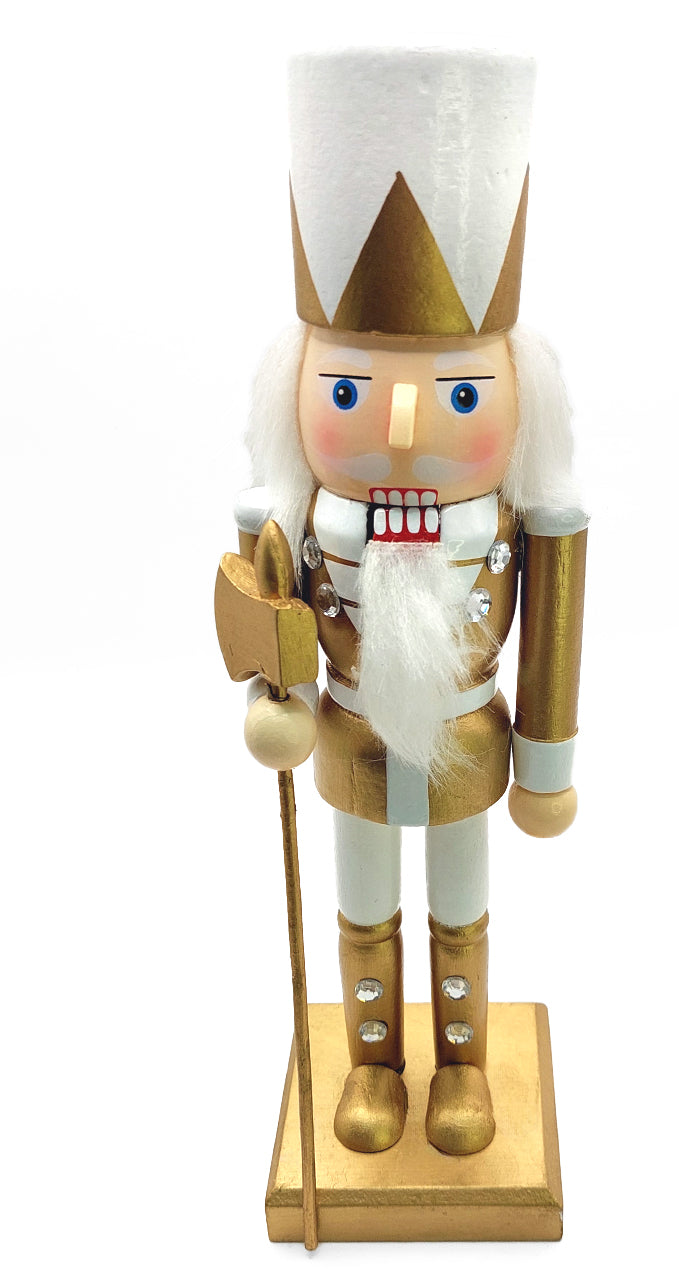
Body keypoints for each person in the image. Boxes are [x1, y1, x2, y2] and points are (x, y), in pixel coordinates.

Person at [230, 49, 587, 1158]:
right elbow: (265, 632)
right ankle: (374, 1060)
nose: (395, 427)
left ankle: (464, 1062)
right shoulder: (288, 524)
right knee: (364, 899)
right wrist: (280, 703)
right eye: (345, 388)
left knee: (463, 901)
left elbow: (553, 646)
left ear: (518, 393)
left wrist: (547, 769)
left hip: (469, 736)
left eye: (458, 393)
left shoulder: (525, 526)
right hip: (350, 736)